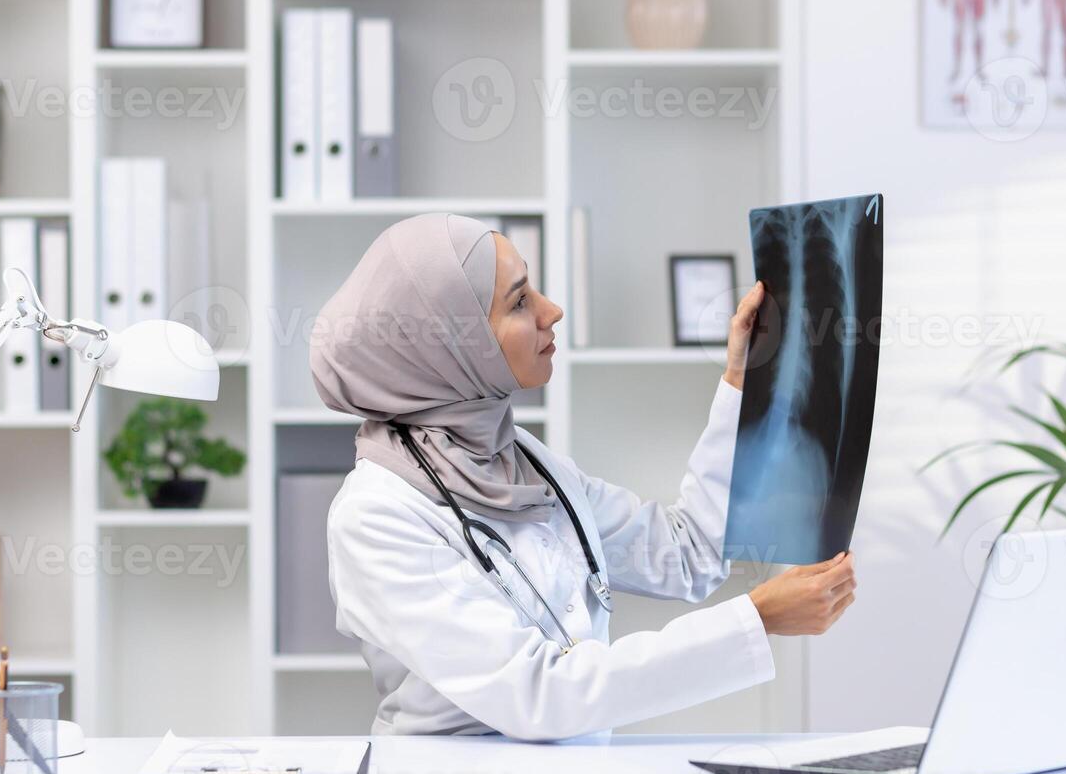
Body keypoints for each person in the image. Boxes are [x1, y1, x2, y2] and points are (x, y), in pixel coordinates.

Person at [309, 213, 856, 741]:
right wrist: (754, 620)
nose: (552, 310)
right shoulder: (376, 514)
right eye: (519, 301)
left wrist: (741, 377)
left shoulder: (522, 460)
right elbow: (540, 695)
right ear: (452, 342)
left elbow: (688, 555)